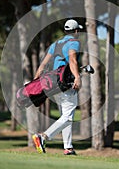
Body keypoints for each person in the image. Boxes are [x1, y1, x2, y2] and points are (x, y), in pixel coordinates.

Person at [32, 19, 83, 155]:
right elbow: (72, 60)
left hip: (55, 85)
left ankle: (68, 147)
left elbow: (43, 65)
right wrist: (77, 77)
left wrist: (34, 81)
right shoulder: (74, 42)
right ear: (76, 31)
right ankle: (43, 137)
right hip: (66, 84)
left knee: (65, 115)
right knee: (67, 117)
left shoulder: (56, 43)